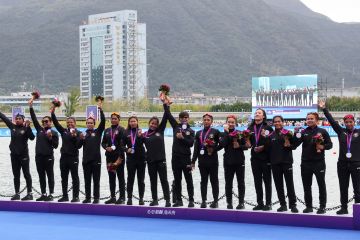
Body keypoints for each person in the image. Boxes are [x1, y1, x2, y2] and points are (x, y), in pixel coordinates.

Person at [319, 100, 360, 214]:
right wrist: (324, 109)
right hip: (342, 164)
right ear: (344, 122)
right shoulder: (341, 132)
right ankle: (344, 208)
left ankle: (358, 211)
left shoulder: (359, 132)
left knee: (357, 188)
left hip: (356, 164)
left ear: (354, 122)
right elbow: (331, 121)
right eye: (346, 122)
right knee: (343, 187)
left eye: (350, 122)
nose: (348, 124)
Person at [293, 112, 333, 214]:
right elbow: (294, 145)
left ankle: (322, 207)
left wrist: (323, 147)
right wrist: (295, 134)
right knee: (306, 186)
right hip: (305, 163)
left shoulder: (322, 131)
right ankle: (309, 206)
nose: (309, 120)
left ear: (317, 120)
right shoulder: (303, 132)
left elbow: (330, 145)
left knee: (321, 185)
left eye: (312, 118)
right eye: (308, 119)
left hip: (318, 163)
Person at [164, 104, 195, 207]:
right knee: (177, 180)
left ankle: (191, 200)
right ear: (179, 119)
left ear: (188, 119)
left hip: (186, 158)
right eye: (182, 118)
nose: (184, 119)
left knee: (188, 180)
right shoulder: (176, 126)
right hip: (176, 158)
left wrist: (182, 138)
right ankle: (179, 200)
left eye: (186, 117)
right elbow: (168, 115)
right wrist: (166, 104)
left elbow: (190, 144)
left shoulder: (191, 131)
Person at [265, 115, 298, 213]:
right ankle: (283, 205)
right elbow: (267, 149)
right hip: (275, 163)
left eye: (279, 121)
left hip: (286, 162)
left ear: (283, 122)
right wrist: (265, 138)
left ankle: (293, 205)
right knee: (279, 185)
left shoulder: (288, 133)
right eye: (275, 122)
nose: (277, 123)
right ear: (273, 123)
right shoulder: (270, 135)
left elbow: (294, 146)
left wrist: (290, 144)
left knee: (289, 184)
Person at [0, 111, 35, 200]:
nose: (18, 120)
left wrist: (29, 127)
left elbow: (32, 138)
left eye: (20, 119)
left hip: (23, 156)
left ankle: (29, 193)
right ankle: (17, 193)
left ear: (23, 120)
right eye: (16, 119)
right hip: (14, 156)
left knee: (26, 174)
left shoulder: (26, 128)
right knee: (16, 175)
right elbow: (4, 117)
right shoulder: (12, 127)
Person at [29, 98, 59, 201]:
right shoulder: (39, 130)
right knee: (41, 176)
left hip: (48, 157)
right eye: (43, 121)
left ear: (51, 122)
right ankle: (43, 193)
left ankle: (51, 194)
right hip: (39, 157)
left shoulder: (54, 133)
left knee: (50, 175)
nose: (45, 123)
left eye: (47, 121)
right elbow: (33, 119)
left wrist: (50, 138)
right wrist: (31, 107)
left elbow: (56, 146)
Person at [51, 106, 83, 202]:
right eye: (68, 122)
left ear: (75, 123)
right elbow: (56, 124)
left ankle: (75, 197)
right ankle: (65, 196)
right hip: (63, 158)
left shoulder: (79, 133)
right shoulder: (63, 131)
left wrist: (74, 137)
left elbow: (78, 146)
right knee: (63, 178)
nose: (69, 124)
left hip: (73, 158)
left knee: (75, 177)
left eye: (71, 122)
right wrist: (52, 113)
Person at [143, 101, 171, 207]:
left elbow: (166, 117)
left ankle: (167, 200)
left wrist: (165, 105)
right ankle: (155, 200)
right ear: (149, 123)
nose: (153, 125)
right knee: (153, 181)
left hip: (161, 161)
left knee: (164, 180)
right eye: (152, 123)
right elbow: (138, 147)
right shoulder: (144, 135)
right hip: (150, 162)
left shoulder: (160, 131)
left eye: (155, 123)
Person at [191, 113, 222, 208]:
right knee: (203, 181)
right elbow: (196, 148)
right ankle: (203, 201)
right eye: (205, 120)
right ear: (202, 121)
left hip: (212, 160)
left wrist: (214, 149)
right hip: (202, 161)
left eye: (208, 120)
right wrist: (193, 161)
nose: (206, 121)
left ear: (211, 122)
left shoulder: (216, 132)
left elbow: (222, 144)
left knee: (214, 181)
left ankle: (215, 201)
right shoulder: (198, 133)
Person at [247, 108, 273, 211]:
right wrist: (247, 144)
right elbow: (247, 144)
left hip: (266, 158)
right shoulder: (249, 128)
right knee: (257, 181)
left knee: (267, 182)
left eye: (259, 113)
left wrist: (263, 147)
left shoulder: (268, 128)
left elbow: (271, 144)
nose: (257, 114)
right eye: (256, 113)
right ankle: (260, 203)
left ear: (263, 116)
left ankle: (268, 203)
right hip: (254, 158)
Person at [220, 115, 247, 209]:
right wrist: (226, 133)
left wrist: (239, 146)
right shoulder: (223, 134)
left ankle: (241, 203)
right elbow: (223, 144)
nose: (231, 124)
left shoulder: (240, 133)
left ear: (235, 123)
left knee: (241, 183)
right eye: (229, 122)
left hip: (239, 161)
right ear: (226, 123)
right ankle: (229, 203)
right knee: (228, 183)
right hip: (228, 161)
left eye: (232, 122)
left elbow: (246, 146)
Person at [80, 100, 105, 204]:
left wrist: (100, 109)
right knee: (87, 181)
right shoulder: (83, 134)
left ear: (94, 124)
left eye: (91, 123)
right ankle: (88, 197)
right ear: (86, 124)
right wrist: (80, 139)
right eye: (88, 123)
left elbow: (103, 121)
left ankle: (96, 198)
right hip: (86, 161)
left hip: (96, 161)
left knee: (96, 181)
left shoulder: (98, 132)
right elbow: (78, 146)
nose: (90, 124)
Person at [101, 112, 126, 204]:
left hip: (119, 158)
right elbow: (103, 142)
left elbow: (123, 144)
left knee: (120, 177)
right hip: (109, 157)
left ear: (119, 120)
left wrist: (120, 157)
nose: (113, 120)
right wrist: (105, 147)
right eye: (112, 118)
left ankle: (122, 197)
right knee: (111, 177)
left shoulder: (122, 130)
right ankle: (113, 197)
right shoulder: (107, 130)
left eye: (115, 118)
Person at [122, 116, 146, 205]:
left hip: (141, 158)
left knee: (141, 179)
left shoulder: (141, 131)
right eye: (131, 121)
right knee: (130, 179)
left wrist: (140, 136)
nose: (132, 123)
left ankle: (141, 198)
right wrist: (126, 149)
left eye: (134, 121)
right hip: (131, 159)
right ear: (129, 123)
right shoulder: (126, 132)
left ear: (137, 122)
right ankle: (129, 198)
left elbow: (144, 143)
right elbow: (122, 145)